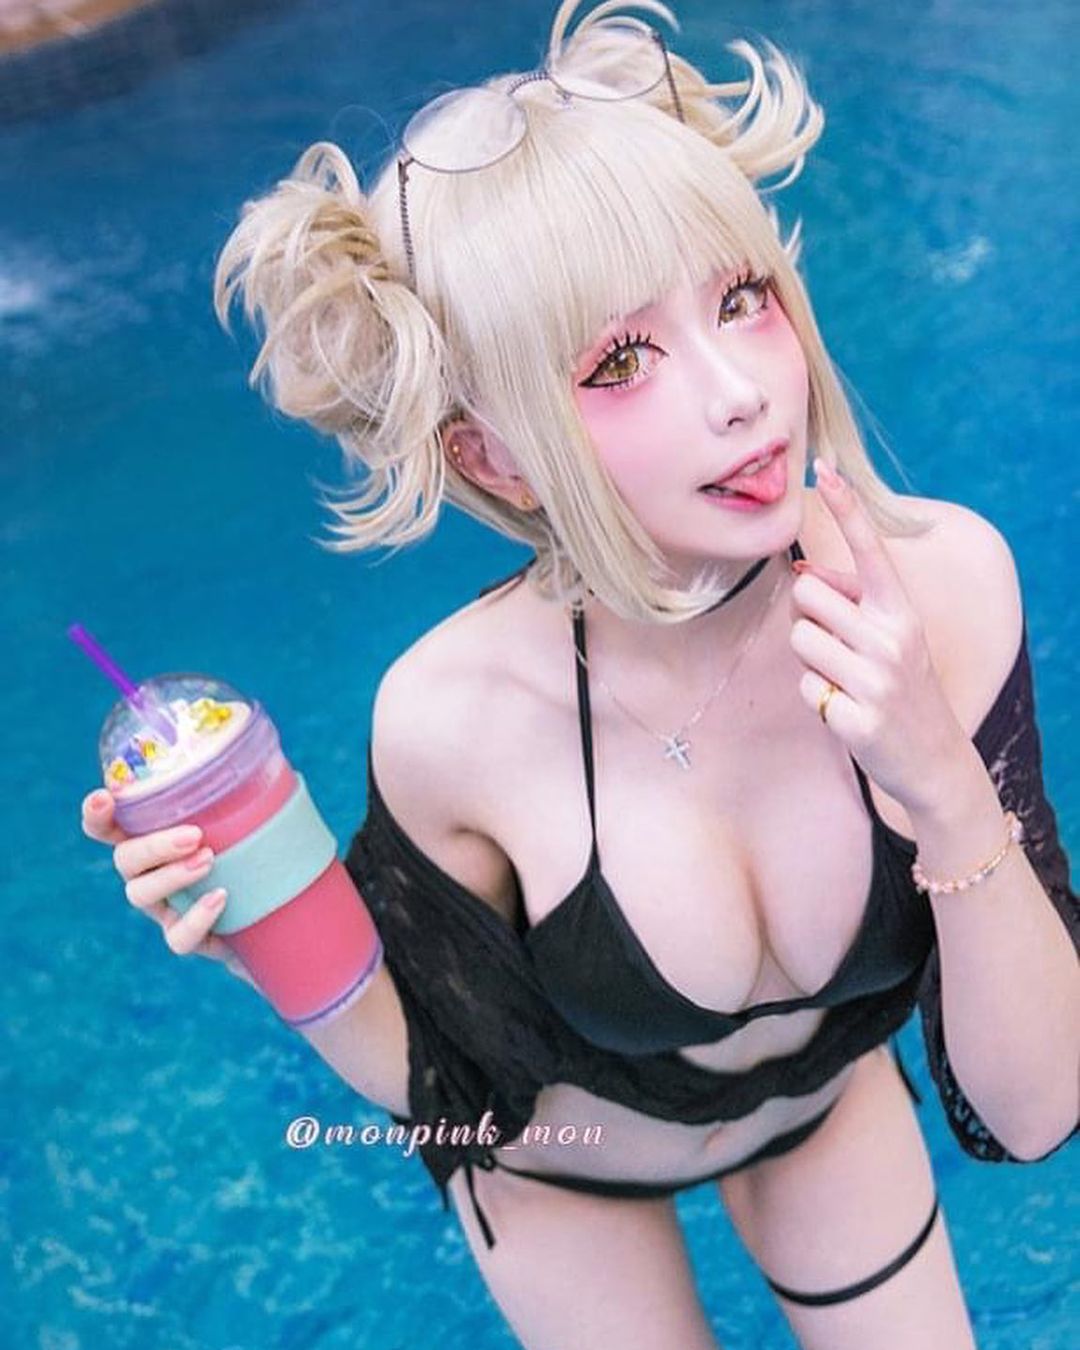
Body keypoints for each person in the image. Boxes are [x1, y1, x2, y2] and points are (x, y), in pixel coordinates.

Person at [80, 2, 1078, 1346]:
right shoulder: (455, 719)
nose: (739, 392)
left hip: (822, 1104)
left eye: (741, 299)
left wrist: (944, 788)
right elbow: (447, 1081)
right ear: (493, 456)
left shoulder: (942, 588)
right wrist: (263, 933)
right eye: (620, 358)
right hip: (561, 1166)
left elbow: (1038, 1111)